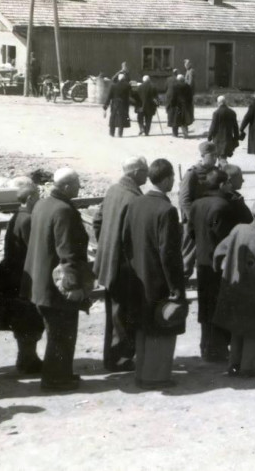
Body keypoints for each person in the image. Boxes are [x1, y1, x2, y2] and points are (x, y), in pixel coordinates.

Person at [21, 168, 92, 392]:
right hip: (57, 287)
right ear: (67, 187)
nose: (80, 188)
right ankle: (56, 380)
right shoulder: (63, 211)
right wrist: (73, 286)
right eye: (78, 184)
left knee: (56, 333)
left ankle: (60, 375)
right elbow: (67, 253)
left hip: (40, 284)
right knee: (62, 334)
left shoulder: (43, 204)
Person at [122, 159, 187, 389]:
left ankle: (142, 373)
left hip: (138, 278)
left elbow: (126, 241)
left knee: (143, 329)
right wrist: (176, 288)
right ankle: (156, 377)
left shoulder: (136, 204)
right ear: (168, 178)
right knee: (162, 329)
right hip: (159, 282)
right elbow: (168, 254)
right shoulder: (167, 210)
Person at [213, 199, 255, 377]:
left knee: (237, 330)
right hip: (253, 295)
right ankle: (248, 368)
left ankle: (234, 365)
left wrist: (222, 270)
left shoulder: (238, 229)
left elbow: (219, 251)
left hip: (233, 289)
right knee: (253, 332)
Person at [93, 157, 148, 372]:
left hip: (108, 262)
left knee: (115, 313)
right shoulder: (133, 198)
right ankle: (120, 359)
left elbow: (97, 221)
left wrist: (106, 245)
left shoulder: (113, 190)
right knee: (124, 314)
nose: (147, 175)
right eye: (144, 171)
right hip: (124, 267)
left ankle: (113, 356)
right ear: (135, 173)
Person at [188, 169, 237, 362]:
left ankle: (206, 346)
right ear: (222, 184)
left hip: (202, 262)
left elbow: (191, 233)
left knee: (205, 306)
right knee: (219, 305)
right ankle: (217, 348)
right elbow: (225, 239)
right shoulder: (223, 206)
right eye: (228, 184)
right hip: (219, 264)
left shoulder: (197, 204)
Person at [0, 177, 44, 374]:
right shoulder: (28, 219)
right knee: (29, 321)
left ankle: (27, 358)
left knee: (23, 322)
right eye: (39, 196)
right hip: (25, 278)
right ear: (31, 197)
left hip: (14, 276)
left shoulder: (18, 216)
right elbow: (34, 249)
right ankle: (27, 360)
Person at [179, 141, 219, 278]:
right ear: (203, 155)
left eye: (216, 155)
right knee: (188, 255)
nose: (215, 158)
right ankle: (182, 282)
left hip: (210, 221)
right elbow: (184, 200)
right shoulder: (192, 174)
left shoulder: (216, 172)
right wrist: (194, 220)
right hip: (194, 222)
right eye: (212, 155)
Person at [208, 95, 239, 166]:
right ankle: (222, 167)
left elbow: (213, 126)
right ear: (225, 102)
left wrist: (209, 136)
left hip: (218, 138)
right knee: (223, 154)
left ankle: (223, 167)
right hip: (228, 137)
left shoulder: (216, 113)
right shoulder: (232, 112)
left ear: (218, 102)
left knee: (220, 154)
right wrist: (236, 137)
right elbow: (235, 126)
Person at [103, 74, 133, 138]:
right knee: (121, 118)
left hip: (115, 104)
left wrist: (105, 107)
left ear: (118, 79)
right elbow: (131, 95)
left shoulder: (113, 86)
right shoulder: (127, 86)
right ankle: (120, 133)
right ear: (124, 79)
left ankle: (112, 133)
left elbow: (109, 97)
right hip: (123, 104)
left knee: (113, 117)